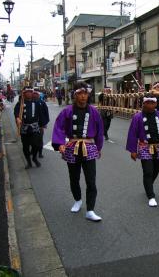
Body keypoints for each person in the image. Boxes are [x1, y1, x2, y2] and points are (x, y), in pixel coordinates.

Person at [52, 82, 104, 222]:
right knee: (74, 178)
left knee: (91, 180)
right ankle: (77, 200)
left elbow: (99, 131)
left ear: (88, 95)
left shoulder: (93, 111)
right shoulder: (67, 111)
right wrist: (60, 144)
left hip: (88, 147)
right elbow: (59, 127)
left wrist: (99, 147)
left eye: (85, 94)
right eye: (79, 94)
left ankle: (90, 210)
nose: (83, 97)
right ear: (74, 96)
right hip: (72, 146)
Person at [126, 93, 159, 207]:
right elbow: (132, 134)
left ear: (156, 104)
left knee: (157, 169)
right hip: (144, 147)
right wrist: (133, 150)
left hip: (158, 146)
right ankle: (151, 196)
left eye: (152, 103)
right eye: (148, 102)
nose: (150, 105)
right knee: (148, 171)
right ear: (144, 103)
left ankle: (148, 185)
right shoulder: (137, 117)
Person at [14, 86, 46, 169]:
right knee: (25, 147)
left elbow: (41, 114)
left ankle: (34, 158)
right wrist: (17, 118)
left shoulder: (36, 103)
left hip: (35, 127)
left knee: (36, 145)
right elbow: (16, 112)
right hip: (24, 128)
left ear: (32, 93)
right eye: (27, 92)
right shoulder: (20, 103)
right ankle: (28, 162)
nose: (29, 93)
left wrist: (42, 124)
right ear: (24, 93)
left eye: (30, 92)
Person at [33, 89, 50, 158]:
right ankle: (33, 151)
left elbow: (46, 113)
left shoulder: (42, 103)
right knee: (33, 139)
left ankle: (40, 152)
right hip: (31, 125)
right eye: (34, 94)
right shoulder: (30, 102)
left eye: (36, 94)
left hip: (40, 124)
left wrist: (45, 123)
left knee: (40, 139)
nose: (35, 96)